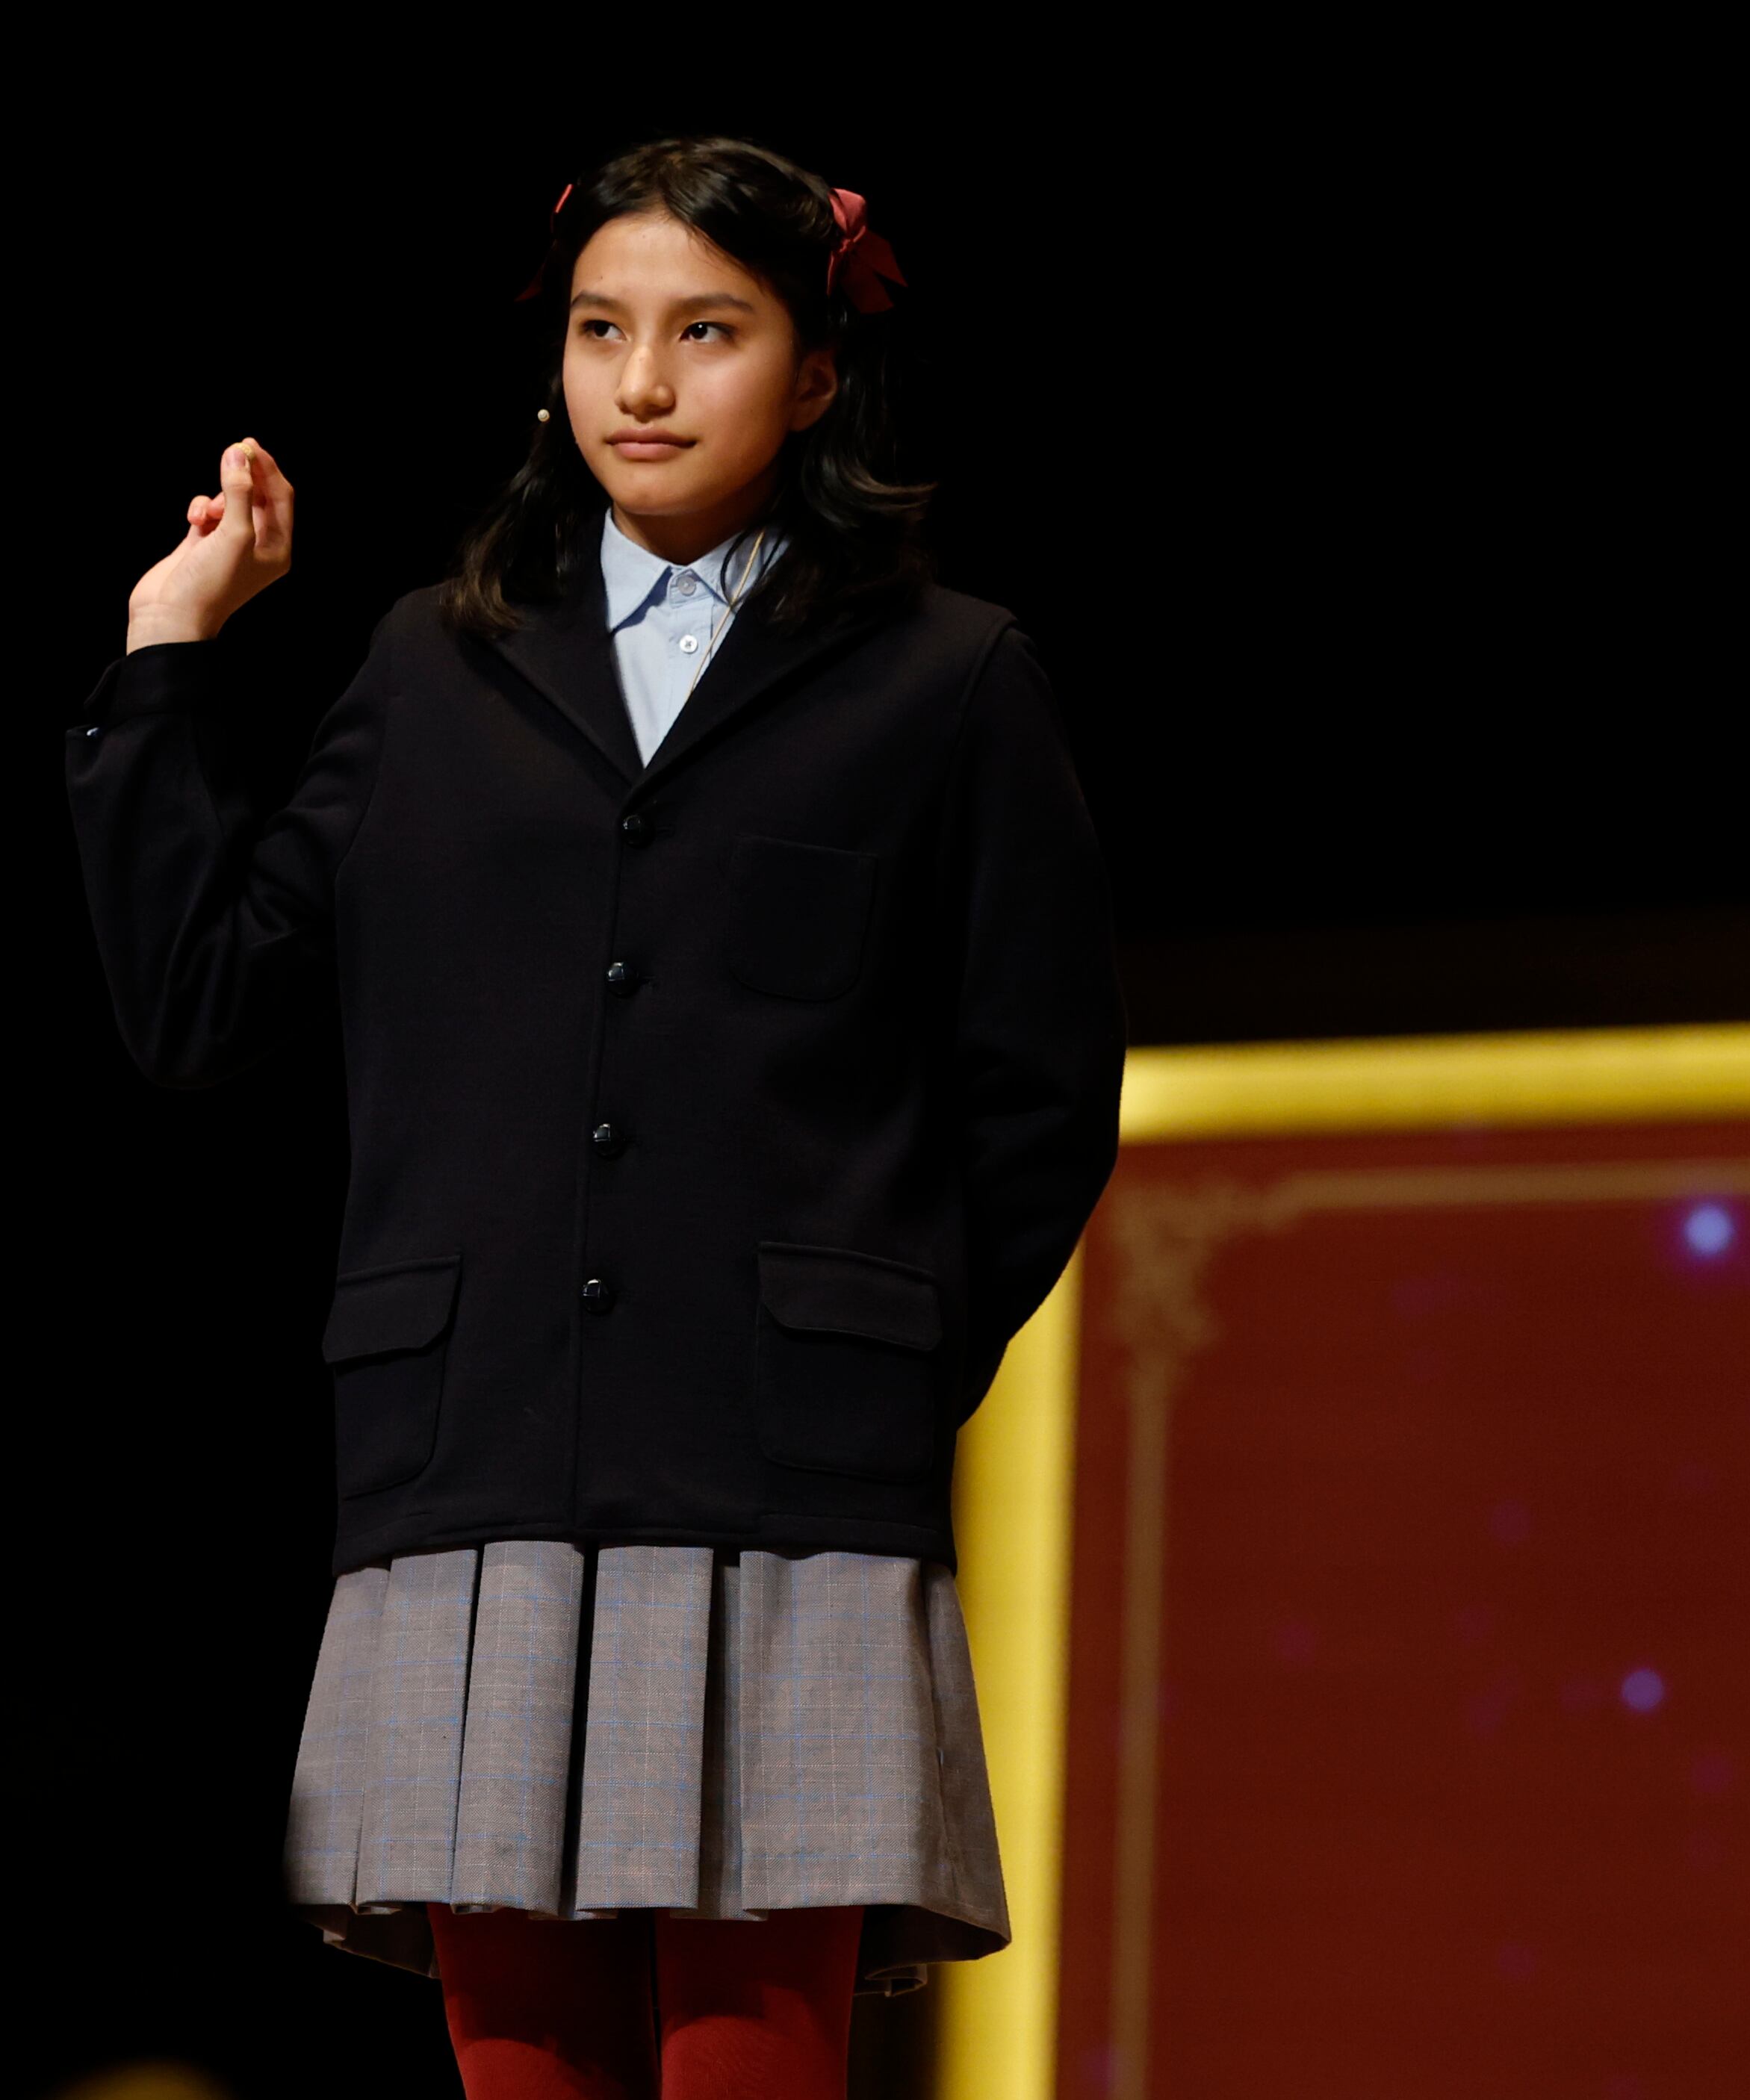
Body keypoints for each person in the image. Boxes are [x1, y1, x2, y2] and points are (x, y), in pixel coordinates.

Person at [66, 137, 1122, 2099]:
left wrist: (876, 1363)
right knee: (524, 2065)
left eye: (704, 332)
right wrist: (170, 649)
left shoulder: (948, 679)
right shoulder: (429, 665)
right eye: (599, 332)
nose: (640, 382)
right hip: (471, 1479)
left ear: (811, 375)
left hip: (782, 1491)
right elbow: (202, 998)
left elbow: (1039, 1091)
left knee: (752, 2059)